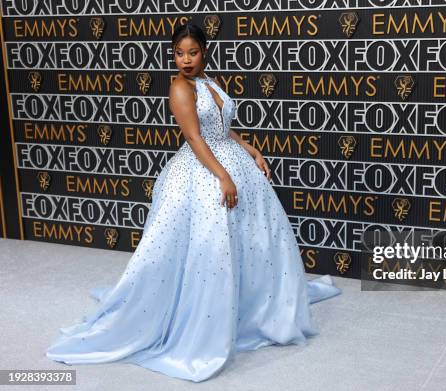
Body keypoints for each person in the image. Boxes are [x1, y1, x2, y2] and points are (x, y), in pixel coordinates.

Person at [45, 23, 342, 382]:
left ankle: (249, 308)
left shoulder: (210, 82)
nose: (185, 60)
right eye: (179, 53)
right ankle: (203, 316)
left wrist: (250, 149)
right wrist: (223, 175)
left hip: (230, 157)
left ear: (204, 51)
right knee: (208, 249)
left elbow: (221, 127)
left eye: (192, 52)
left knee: (249, 243)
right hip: (202, 170)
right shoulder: (179, 88)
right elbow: (195, 137)